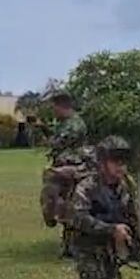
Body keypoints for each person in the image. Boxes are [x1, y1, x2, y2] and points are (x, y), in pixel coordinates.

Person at [59, 136, 137, 279]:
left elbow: (127, 215)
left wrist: (131, 241)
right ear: (102, 163)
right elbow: (78, 218)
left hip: (107, 248)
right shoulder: (88, 187)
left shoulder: (123, 187)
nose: (120, 167)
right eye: (115, 161)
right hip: (85, 248)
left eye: (123, 162)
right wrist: (110, 229)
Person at [42, 91, 92, 258]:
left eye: (54, 108)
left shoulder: (76, 124)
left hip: (73, 169)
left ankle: (72, 243)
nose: (53, 112)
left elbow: (58, 143)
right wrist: (43, 128)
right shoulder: (63, 124)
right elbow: (55, 138)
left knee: (69, 206)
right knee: (62, 205)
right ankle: (68, 243)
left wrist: (50, 140)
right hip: (62, 168)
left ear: (62, 106)